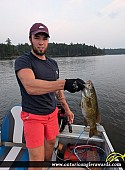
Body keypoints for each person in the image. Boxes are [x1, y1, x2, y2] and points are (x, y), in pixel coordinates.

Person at [15, 22, 85, 170]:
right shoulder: (23, 61)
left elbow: (56, 90)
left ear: (48, 40)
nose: (41, 42)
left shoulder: (53, 64)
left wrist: (66, 108)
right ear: (30, 39)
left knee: (52, 143)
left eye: (44, 38)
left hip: (52, 114)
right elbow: (31, 86)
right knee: (36, 162)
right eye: (37, 37)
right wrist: (65, 83)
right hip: (33, 116)